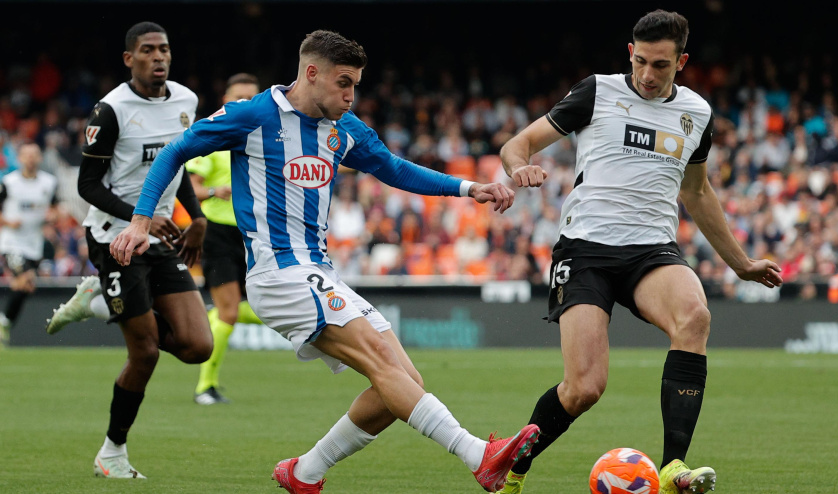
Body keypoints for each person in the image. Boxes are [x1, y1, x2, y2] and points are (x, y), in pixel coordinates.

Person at [110, 29, 539, 493]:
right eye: (344, 83)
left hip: (317, 271)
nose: (352, 96)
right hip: (278, 272)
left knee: (402, 381)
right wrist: (140, 220)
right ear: (311, 73)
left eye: (355, 84)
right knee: (383, 362)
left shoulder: (343, 128)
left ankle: (305, 472)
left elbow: (393, 168)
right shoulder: (253, 115)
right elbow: (176, 151)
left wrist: (466, 188)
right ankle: (479, 455)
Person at [495, 10, 783, 494]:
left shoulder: (697, 114)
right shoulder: (598, 91)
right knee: (584, 388)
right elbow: (517, 143)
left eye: (662, 66)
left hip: (651, 250)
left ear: (682, 62)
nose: (648, 76)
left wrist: (743, 264)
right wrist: (520, 166)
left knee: (694, 316)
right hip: (585, 249)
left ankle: (673, 468)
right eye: (642, 62)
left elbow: (697, 192)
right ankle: (512, 468)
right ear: (630, 53)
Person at [46, 21, 213, 479]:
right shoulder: (111, 110)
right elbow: (87, 185)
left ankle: (101, 304)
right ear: (129, 59)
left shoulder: (185, 101)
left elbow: (177, 165)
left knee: (198, 346)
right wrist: (140, 215)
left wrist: (195, 217)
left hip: (159, 236)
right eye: (147, 50)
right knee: (146, 352)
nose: (158, 57)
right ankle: (112, 454)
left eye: (164, 49)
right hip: (113, 236)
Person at [184, 72, 264, 405]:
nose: (244, 104)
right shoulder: (214, 139)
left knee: (260, 307)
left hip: (255, 234)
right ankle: (205, 387)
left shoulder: (267, 140)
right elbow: (190, 187)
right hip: (218, 233)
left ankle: (209, 317)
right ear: (225, 102)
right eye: (238, 99)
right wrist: (216, 190)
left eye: (251, 98)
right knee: (231, 312)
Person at [0, 142, 58, 346]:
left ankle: (5, 321)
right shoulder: (8, 182)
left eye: (34, 155)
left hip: (34, 244)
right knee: (25, 278)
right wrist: (7, 222)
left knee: (26, 287)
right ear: (20, 158)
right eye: (27, 155)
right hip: (12, 242)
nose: (31, 159)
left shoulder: (49, 183)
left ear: (40, 158)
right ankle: (4, 321)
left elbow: (56, 208)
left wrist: (53, 216)